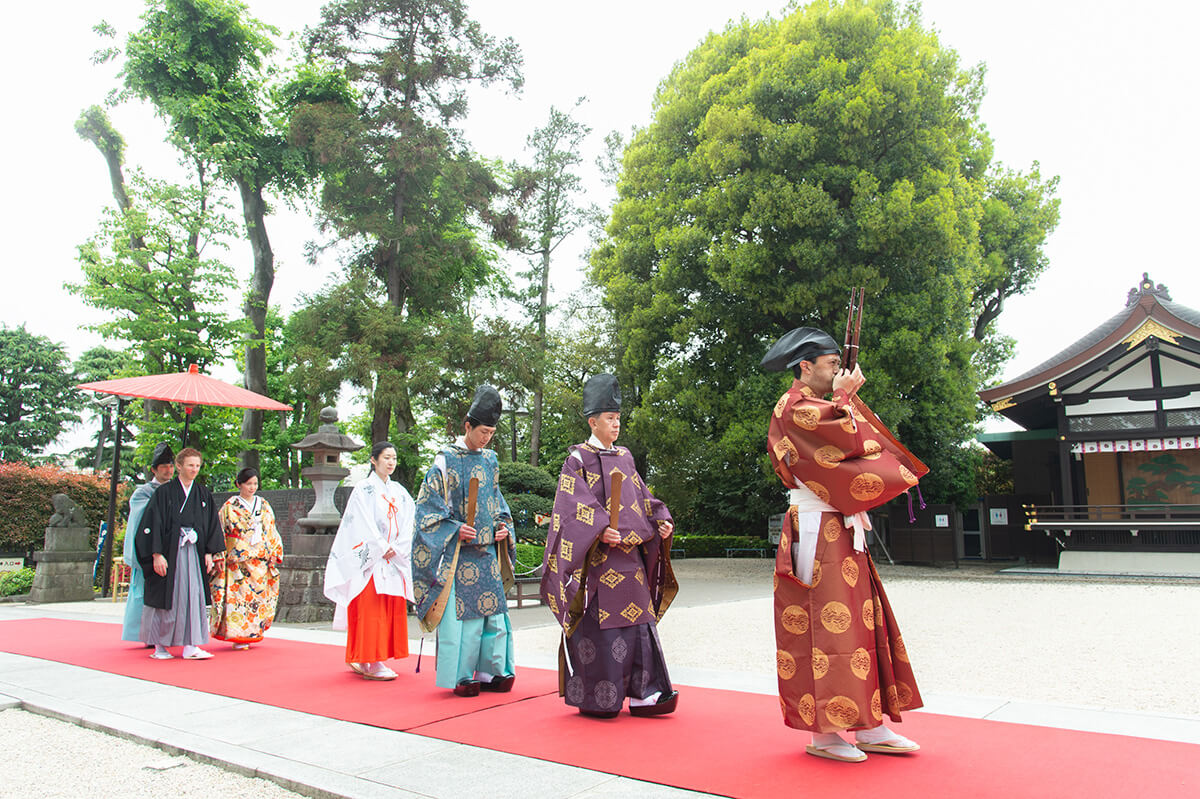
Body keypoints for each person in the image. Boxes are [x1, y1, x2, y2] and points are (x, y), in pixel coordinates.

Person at [761, 327, 929, 762]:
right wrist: (843, 398)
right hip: (815, 525)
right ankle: (825, 732)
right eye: (832, 364)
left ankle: (869, 723)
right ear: (806, 366)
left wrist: (842, 399)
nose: (839, 371)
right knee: (822, 625)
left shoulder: (820, 405)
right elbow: (845, 442)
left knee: (858, 623)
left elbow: (856, 443)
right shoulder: (794, 407)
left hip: (839, 522)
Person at [540, 374, 679, 718]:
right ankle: (599, 698)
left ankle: (646, 693)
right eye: (610, 418)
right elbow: (570, 510)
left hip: (630, 559)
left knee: (640, 623)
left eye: (618, 418)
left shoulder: (626, 456)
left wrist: (659, 519)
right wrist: (600, 530)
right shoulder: (577, 459)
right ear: (593, 421)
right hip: (597, 562)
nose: (616, 424)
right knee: (603, 630)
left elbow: (642, 496)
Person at [412, 385, 517, 697]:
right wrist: (454, 528)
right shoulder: (444, 461)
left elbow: (497, 501)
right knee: (465, 618)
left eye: (491, 433)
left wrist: (502, 526)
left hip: (487, 551)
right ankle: (461, 675)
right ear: (467, 426)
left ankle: (492, 671)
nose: (486, 439)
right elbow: (427, 511)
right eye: (483, 432)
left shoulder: (491, 460)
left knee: (495, 616)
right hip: (459, 554)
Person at [323, 441, 414, 680]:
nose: (391, 462)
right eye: (386, 457)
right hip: (371, 560)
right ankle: (371, 661)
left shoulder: (400, 492)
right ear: (374, 460)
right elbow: (360, 521)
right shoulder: (363, 489)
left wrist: (398, 547)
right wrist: (381, 546)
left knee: (387, 608)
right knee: (370, 610)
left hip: (393, 558)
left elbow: (409, 521)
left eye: (394, 458)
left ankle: (371, 658)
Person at [137, 447, 225, 660]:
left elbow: (210, 524)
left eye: (197, 465)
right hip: (169, 551)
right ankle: (160, 646)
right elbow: (153, 523)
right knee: (168, 596)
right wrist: (156, 554)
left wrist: (209, 552)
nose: (194, 469)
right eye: (190, 465)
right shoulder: (164, 493)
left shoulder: (202, 493)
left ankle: (190, 645)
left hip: (194, 552)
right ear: (179, 466)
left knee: (193, 596)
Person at [209, 468, 283, 650]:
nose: (252, 487)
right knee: (238, 599)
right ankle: (238, 635)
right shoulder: (229, 506)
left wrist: (274, 552)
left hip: (260, 559)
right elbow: (220, 531)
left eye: (255, 484)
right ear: (239, 484)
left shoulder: (263, 505)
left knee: (257, 598)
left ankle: (253, 632)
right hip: (238, 559)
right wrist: (219, 555)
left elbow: (271, 530)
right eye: (248, 484)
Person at [121, 443, 174, 643]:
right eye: (164, 467)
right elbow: (144, 519)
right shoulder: (143, 492)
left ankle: (167, 634)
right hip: (147, 549)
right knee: (143, 594)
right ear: (154, 470)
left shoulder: (176, 490)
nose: (168, 470)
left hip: (169, 548)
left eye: (171, 466)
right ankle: (144, 634)